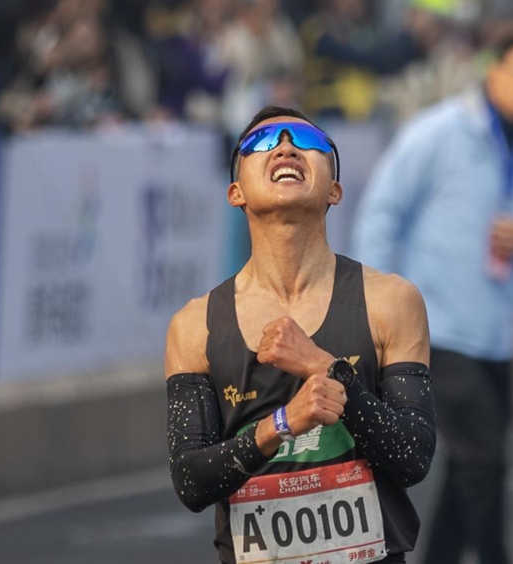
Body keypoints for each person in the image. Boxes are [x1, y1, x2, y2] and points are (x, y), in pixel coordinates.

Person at [165, 106, 437, 564]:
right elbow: (191, 482)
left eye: (308, 141)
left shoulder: (390, 301)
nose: (286, 146)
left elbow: (413, 457)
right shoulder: (195, 325)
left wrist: (327, 371)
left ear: (335, 189)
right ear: (236, 192)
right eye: (261, 143)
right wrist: (280, 425)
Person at [351, 22, 513, 564]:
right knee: (485, 461)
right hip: (436, 328)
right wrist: (375, 310)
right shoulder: (439, 130)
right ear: (494, 70)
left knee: (475, 463)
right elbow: (381, 213)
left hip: (494, 331)